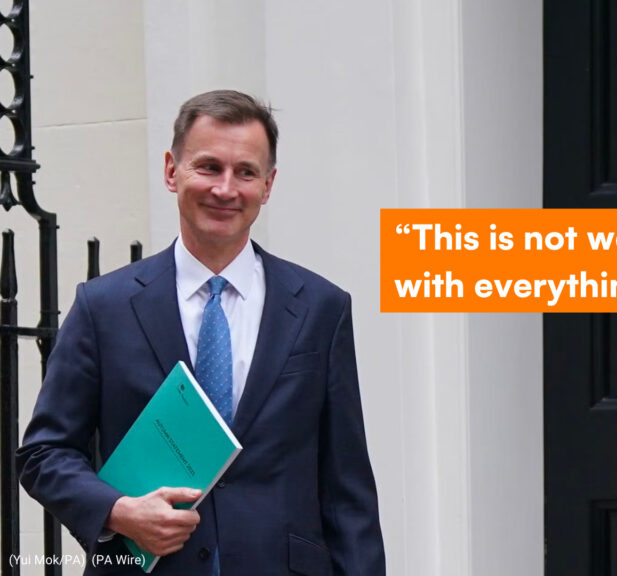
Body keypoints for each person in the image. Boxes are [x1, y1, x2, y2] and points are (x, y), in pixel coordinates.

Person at [17, 90, 386, 575]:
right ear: (172, 171)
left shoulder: (322, 307)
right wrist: (118, 511)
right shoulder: (102, 307)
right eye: (208, 167)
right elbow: (44, 454)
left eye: (246, 172)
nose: (226, 189)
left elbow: (347, 490)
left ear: (268, 185)